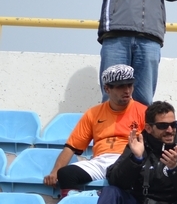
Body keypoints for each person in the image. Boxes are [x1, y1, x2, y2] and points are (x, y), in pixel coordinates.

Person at [43, 64, 147, 197]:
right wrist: (55, 171)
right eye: (120, 86)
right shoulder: (93, 113)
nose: (127, 90)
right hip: (99, 161)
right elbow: (71, 146)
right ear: (107, 89)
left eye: (129, 85)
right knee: (65, 174)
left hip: (126, 160)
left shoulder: (144, 112)